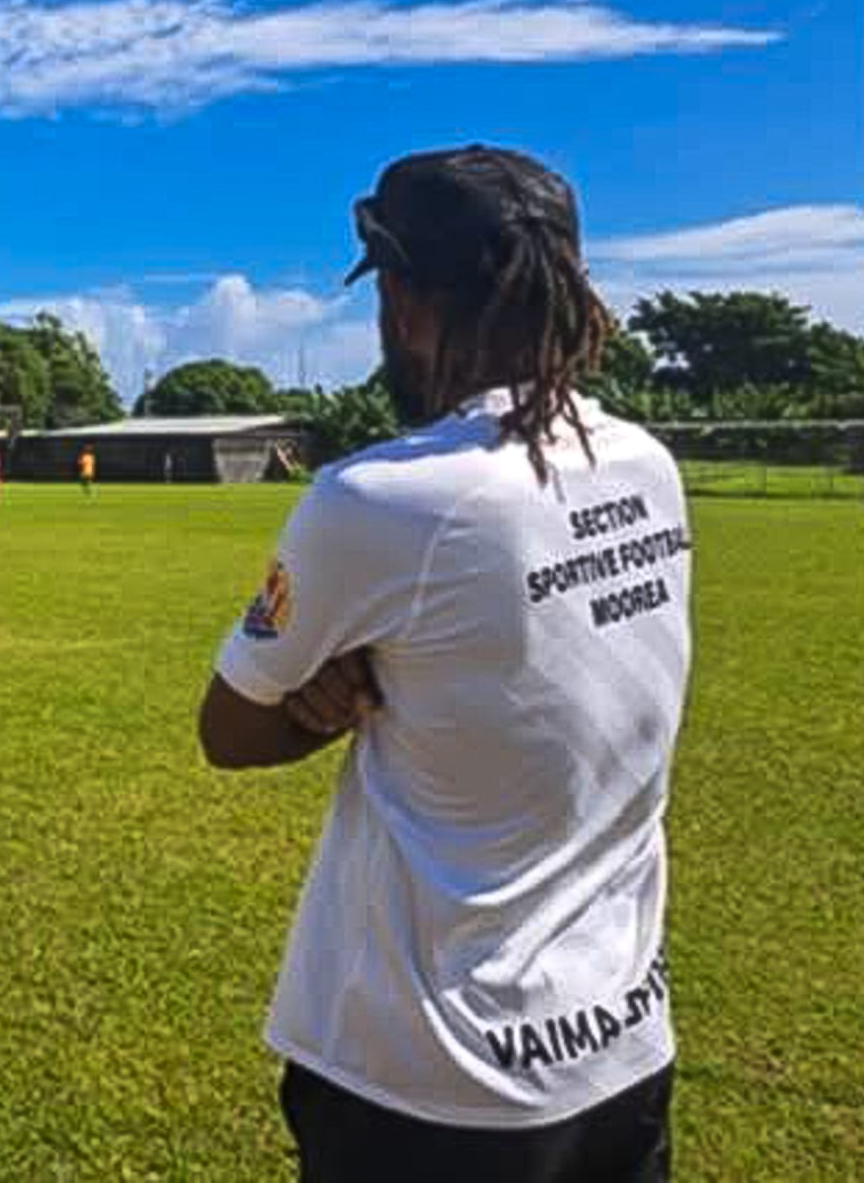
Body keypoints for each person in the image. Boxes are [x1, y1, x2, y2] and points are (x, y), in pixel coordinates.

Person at [197, 147, 692, 1182]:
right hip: (622, 1043)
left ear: (408, 300)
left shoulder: (382, 498)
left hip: (433, 1079)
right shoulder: (647, 466)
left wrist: (317, 710)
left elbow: (229, 729)